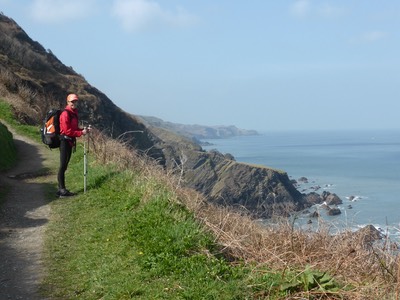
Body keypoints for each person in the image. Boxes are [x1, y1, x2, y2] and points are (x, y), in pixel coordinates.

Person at [57, 93, 90, 197]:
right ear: (68, 102)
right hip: (64, 142)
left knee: (65, 165)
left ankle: (61, 189)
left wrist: (83, 130)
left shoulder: (74, 113)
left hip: (69, 142)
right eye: (72, 101)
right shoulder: (65, 114)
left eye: (75, 101)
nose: (74, 103)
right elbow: (66, 131)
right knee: (63, 166)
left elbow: (73, 129)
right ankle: (61, 190)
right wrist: (81, 133)